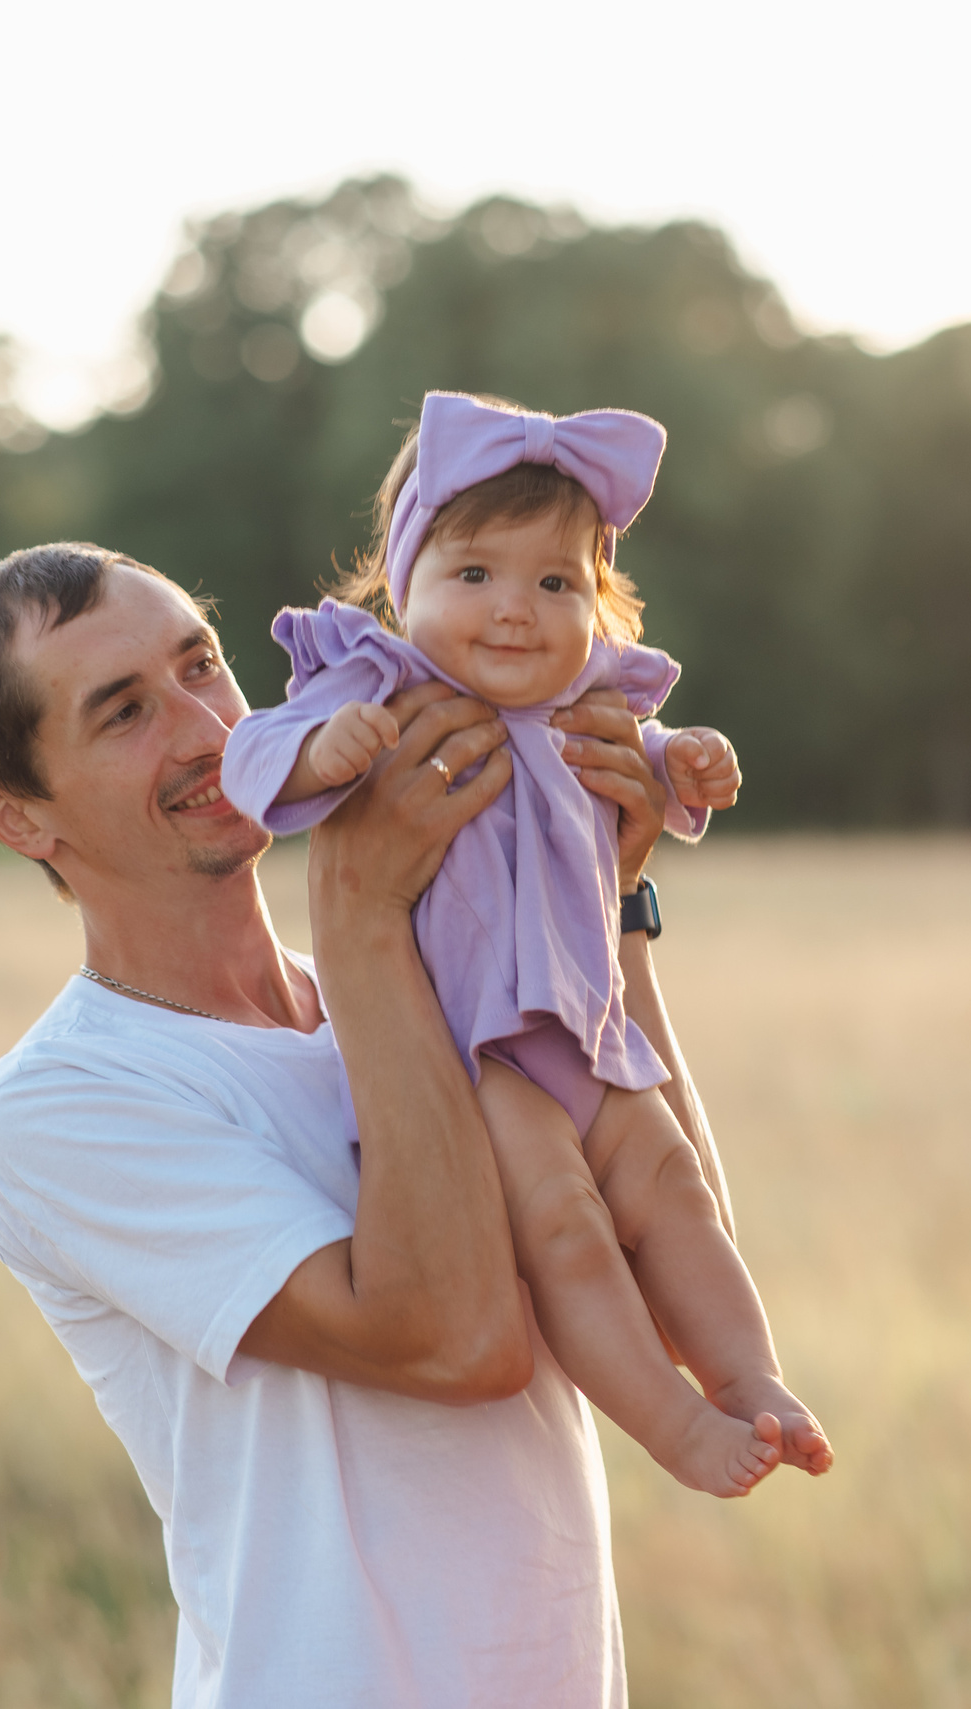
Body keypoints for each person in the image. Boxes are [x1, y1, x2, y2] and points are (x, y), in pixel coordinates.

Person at [0, 540, 710, 1708]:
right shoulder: (57, 1106)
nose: (206, 729)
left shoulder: (407, 979)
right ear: (21, 816)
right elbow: (457, 1340)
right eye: (124, 712)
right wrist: (364, 907)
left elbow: (673, 1289)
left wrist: (609, 905)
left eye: (203, 665)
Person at [221, 392, 830, 1498]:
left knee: (676, 1189)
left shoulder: (586, 703)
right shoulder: (382, 682)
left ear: (597, 605)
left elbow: (639, 788)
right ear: (404, 585)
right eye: (475, 575)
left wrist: (683, 759)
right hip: (469, 1055)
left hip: (588, 1032)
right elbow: (250, 758)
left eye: (556, 582)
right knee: (564, 1222)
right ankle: (677, 1429)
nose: (515, 610)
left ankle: (753, 1379)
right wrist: (325, 749)